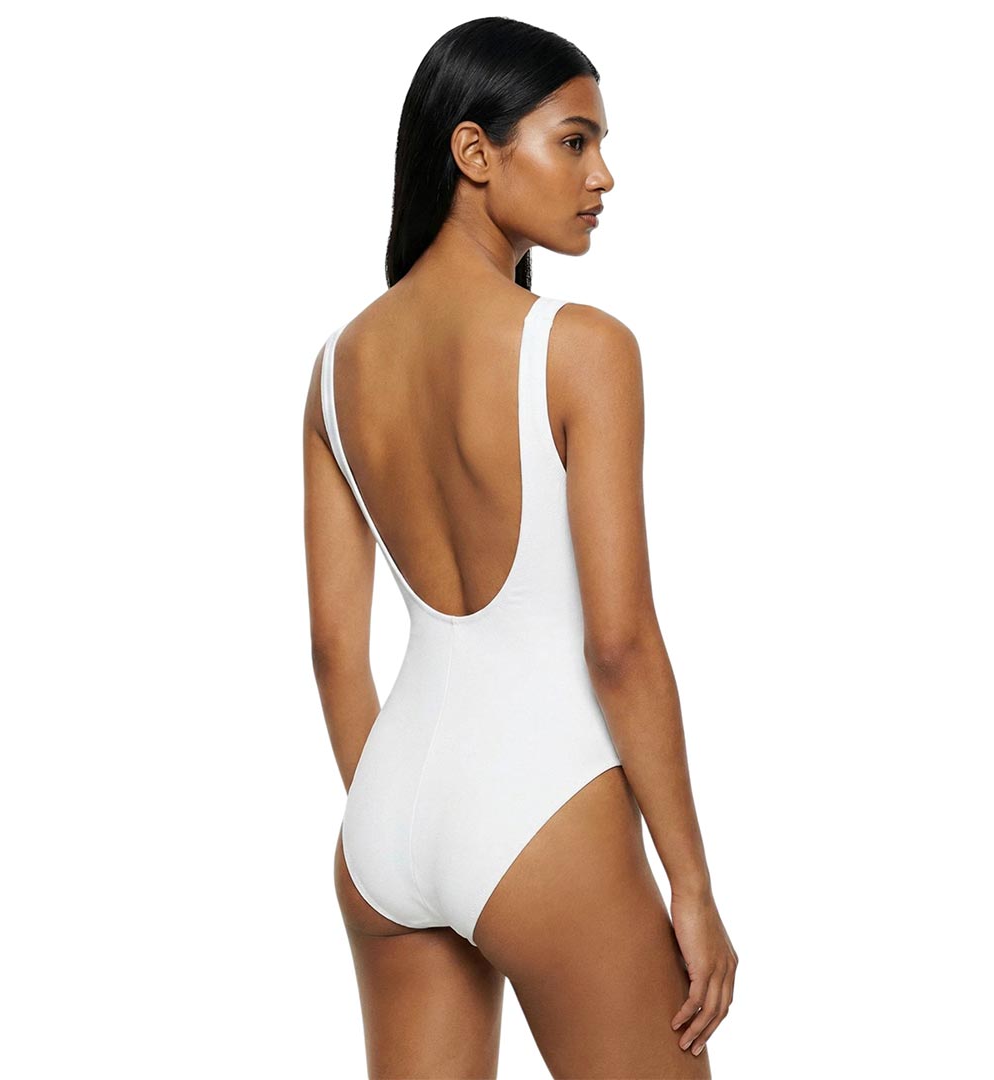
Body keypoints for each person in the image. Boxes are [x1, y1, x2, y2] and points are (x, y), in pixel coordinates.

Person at [303, 17, 737, 1078]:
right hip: (544, 804)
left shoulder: (334, 370)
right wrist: (689, 884)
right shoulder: (582, 350)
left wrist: (419, 822)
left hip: (387, 816)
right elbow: (620, 645)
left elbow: (333, 650)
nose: (603, 176)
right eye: (575, 141)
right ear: (475, 152)